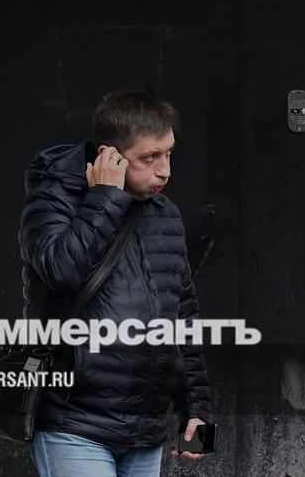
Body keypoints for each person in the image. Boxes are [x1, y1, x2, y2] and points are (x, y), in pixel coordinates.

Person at [18, 90, 211, 477]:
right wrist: (106, 195)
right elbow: (62, 272)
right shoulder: (53, 200)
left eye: (169, 153)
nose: (165, 171)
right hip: (74, 423)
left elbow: (182, 318)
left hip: (145, 430)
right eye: (150, 157)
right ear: (111, 156)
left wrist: (197, 410)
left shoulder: (166, 214)